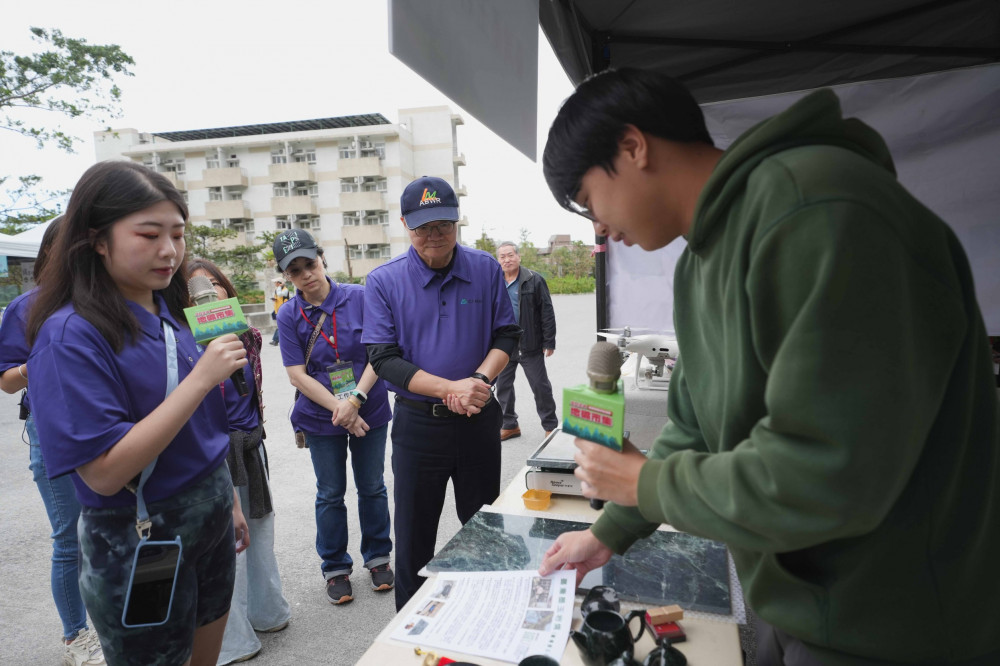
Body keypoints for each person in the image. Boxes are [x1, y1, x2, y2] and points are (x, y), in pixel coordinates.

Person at [536, 68, 1000, 666]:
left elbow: (828, 473)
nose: (596, 226)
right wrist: (606, 534)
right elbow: (694, 427)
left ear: (632, 147)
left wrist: (645, 482)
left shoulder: (818, 209)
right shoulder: (701, 264)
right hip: (799, 600)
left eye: (587, 199)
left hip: (892, 626)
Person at [25, 160, 250, 666]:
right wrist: (199, 381)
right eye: (148, 234)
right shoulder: (70, 337)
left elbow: (204, 429)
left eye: (177, 234)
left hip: (210, 514)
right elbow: (104, 473)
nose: (169, 251)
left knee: (206, 654)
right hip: (143, 539)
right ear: (97, 239)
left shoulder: (171, 312)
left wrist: (229, 499)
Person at [363, 176, 521, 610]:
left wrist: (480, 382)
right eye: (422, 227)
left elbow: (507, 334)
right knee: (414, 537)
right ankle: (411, 630)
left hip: (478, 419)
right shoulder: (384, 281)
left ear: (457, 222)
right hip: (419, 427)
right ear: (404, 225)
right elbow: (383, 358)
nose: (433, 236)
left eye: (443, 225)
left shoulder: (485, 268)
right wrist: (450, 388)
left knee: (485, 528)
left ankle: (488, 614)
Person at [0, 216, 107, 666]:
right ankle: (75, 635)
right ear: (52, 252)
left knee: (113, 531)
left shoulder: (107, 300)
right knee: (71, 539)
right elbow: (7, 381)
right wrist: (37, 363)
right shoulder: (27, 307)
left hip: (109, 430)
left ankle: (113, 624)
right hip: (52, 434)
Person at [272, 228, 394, 606]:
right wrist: (341, 408)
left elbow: (381, 350)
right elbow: (297, 374)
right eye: (295, 271)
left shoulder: (361, 297)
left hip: (368, 407)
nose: (306, 274)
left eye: (310, 264)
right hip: (320, 415)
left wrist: (355, 399)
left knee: (372, 485)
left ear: (322, 259)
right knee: (330, 493)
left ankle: (377, 557)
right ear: (287, 277)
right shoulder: (289, 315)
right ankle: (335, 567)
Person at [187, 259, 291, 665]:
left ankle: (268, 614)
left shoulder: (246, 336)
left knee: (261, 531)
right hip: (213, 451)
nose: (210, 293)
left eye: (216, 285)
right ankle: (232, 642)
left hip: (251, 444)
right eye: (198, 289)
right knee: (228, 545)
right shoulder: (183, 344)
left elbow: (253, 392)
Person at [494, 241, 558, 441]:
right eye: (502, 256)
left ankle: (550, 426)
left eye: (510, 255)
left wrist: (549, 341)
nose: (507, 259)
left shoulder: (534, 279)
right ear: (498, 260)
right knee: (503, 388)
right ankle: (510, 424)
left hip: (529, 344)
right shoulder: (494, 281)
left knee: (540, 386)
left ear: (518, 257)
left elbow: (547, 311)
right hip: (503, 346)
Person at [269, 277, 289, 346]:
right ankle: (276, 340)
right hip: (278, 310)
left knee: (280, 326)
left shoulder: (285, 290)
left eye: (276, 282)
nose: (275, 284)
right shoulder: (278, 289)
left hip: (284, 310)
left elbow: (280, 294)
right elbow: (278, 297)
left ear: (279, 283)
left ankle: (275, 340)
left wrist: (279, 287)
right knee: (281, 326)